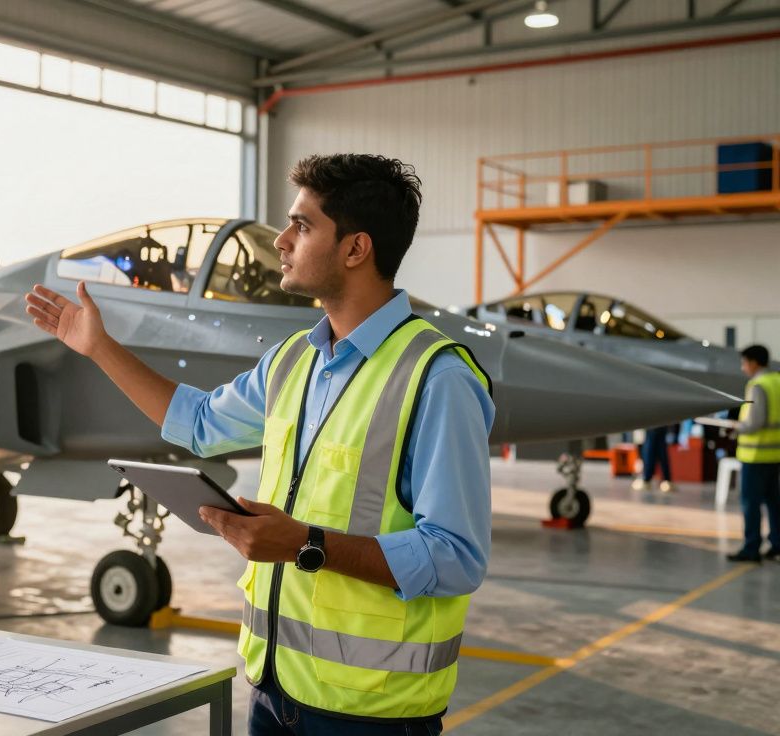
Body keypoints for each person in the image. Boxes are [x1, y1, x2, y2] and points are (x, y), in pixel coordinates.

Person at [24, 154, 494, 734]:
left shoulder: (438, 378)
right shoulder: (293, 360)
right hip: (273, 688)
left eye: (302, 225)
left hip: (368, 713)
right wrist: (99, 347)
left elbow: (456, 556)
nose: (282, 241)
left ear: (356, 249)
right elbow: (196, 423)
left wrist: (307, 543)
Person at [728, 344, 780, 563]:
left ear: (754, 363)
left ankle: (751, 548)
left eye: (744, 362)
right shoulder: (777, 381)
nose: (743, 368)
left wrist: (735, 426)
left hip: (755, 455)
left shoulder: (757, 385)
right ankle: (777, 544)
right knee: (774, 503)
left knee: (750, 504)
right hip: (775, 454)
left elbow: (755, 422)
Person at [632, 424, 676, 493]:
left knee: (650, 446)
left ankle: (646, 479)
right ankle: (667, 480)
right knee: (661, 447)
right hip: (662, 422)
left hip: (652, 424)